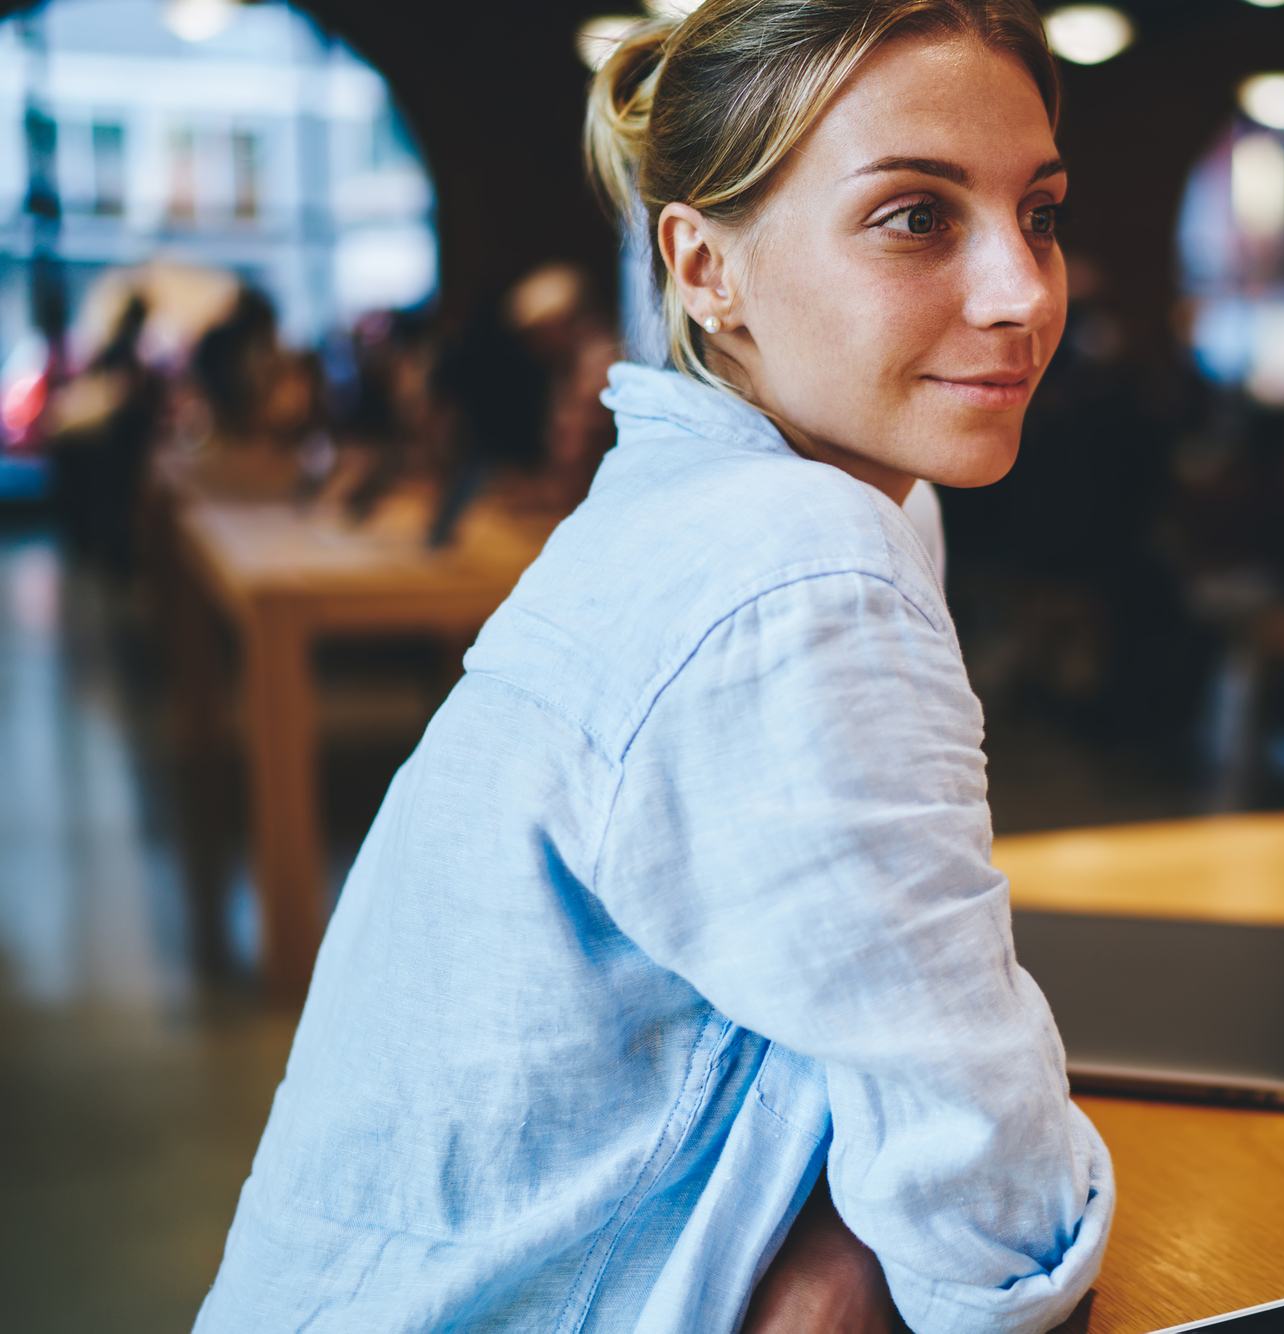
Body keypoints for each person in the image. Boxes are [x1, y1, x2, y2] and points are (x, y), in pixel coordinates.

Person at [195, 2, 1111, 1330]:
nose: (1023, 290)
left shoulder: (750, 498)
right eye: (916, 215)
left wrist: (846, 1229)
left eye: (1039, 212)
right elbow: (986, 1201)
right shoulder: (799, 558)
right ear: (703, 266)